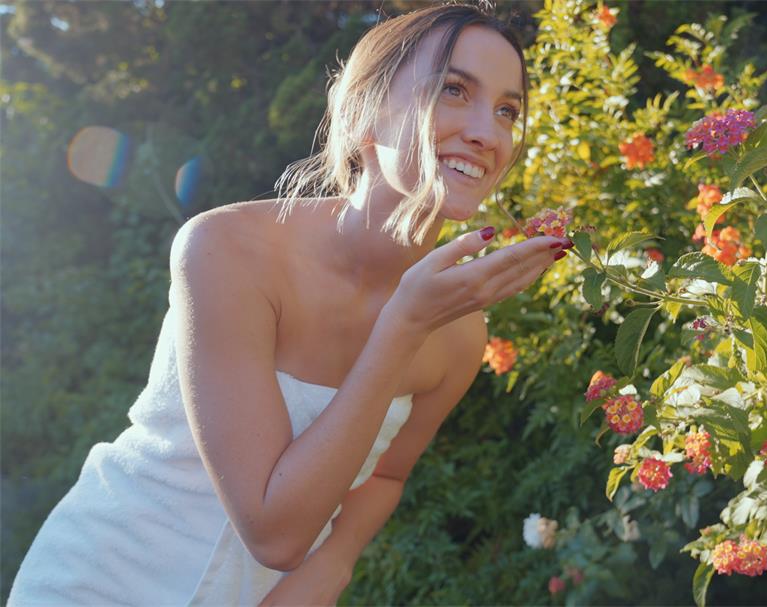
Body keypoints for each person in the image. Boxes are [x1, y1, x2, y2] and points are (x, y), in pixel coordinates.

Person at [9, 4, 572, 605]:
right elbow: (273, 532)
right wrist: (402, 326)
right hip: (94, 580)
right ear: (365, 112)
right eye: (454, 90)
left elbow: (384, 475)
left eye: (507, 110)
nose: (489, 132)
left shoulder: (459, 332)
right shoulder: (226, 249)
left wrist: (329, 570)